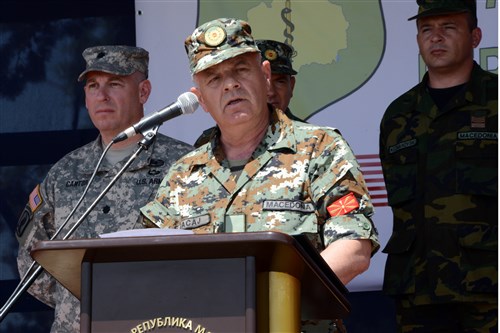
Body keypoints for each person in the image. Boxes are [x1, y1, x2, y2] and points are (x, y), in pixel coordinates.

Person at [141, 18, 380, 332]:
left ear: (265, 78)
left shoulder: (319, 149)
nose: (230, 85)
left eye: (241, 69)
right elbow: (148, 267)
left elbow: (353, 247)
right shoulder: (182, 175)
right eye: (214, 78)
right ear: (200, 98)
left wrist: (269, 301)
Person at [15, 45, 193, 332]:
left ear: (143, 92)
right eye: (93, 85)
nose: (102, 95)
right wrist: (76, 300)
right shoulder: (65, 172)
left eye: (115, 83)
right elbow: (31, 257)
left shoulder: (184, 164)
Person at [379, 1, 498, 332]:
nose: (436, 38)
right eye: (426, 30)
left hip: (489, 289)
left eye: (448, 28)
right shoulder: (398, 116)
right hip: (418, 291)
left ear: (475, 36)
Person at [193, 38, 302, 148]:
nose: (270, 91)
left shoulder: (311, 142)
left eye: (280, 82)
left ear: (291, 86)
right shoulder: (207, 143)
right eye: (215, 79)